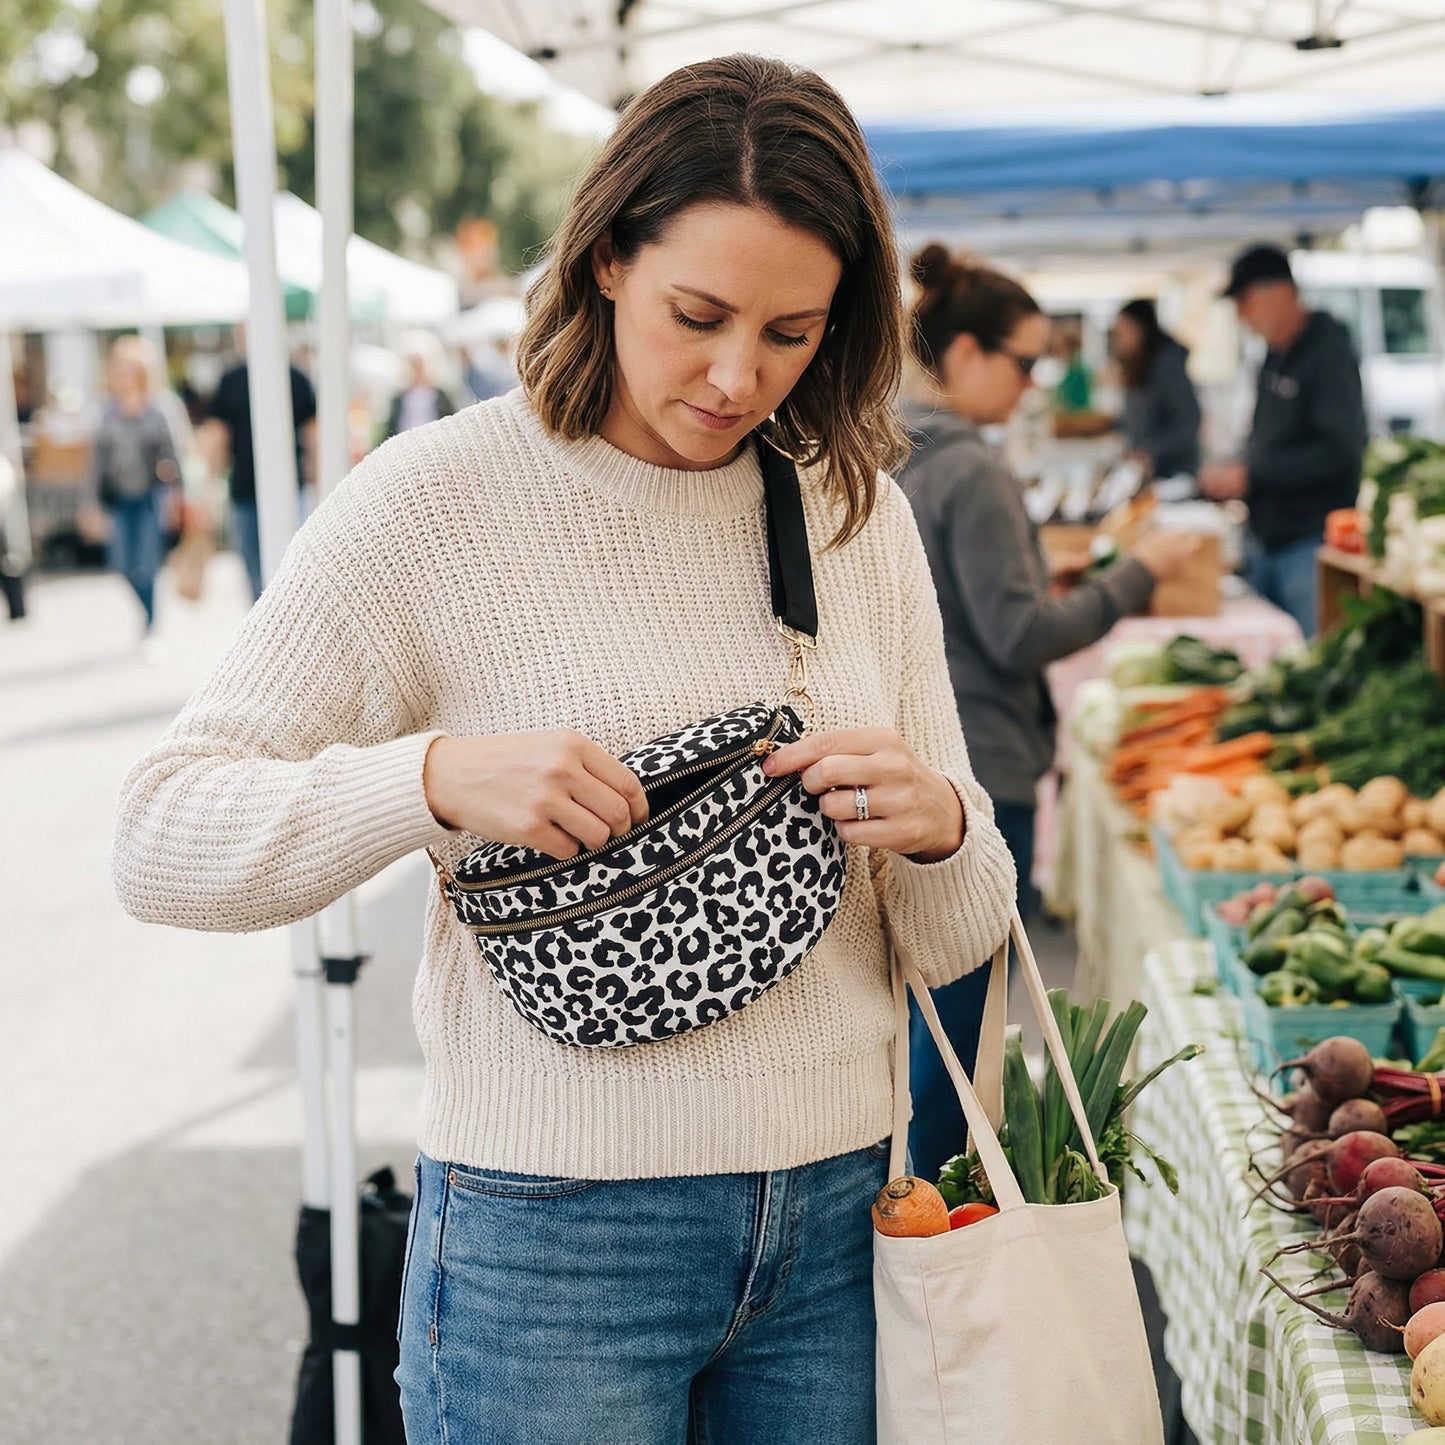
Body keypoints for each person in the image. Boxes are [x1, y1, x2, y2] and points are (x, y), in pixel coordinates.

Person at [112, 55, 1017, 1443]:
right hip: (553, 1250)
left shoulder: (852, 515)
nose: (733, 378)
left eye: (790, 332)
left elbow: (958, 940)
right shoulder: (437, 498)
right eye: (696, 315)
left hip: (842, 1219)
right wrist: (425, 780)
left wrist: (943, 824)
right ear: (603, 259)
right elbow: (163, 835)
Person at [899, 245, 1199, 1183]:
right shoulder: (970, 470)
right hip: (982, 761)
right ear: (962, 350)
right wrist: (1134, 576)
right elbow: (1019, 633)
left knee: (928, 1019)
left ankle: (919, 1193)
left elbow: (960, 600)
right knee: (962, 1021)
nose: (1034, 383)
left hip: (927, 756)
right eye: (1023, 361)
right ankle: (948, 1216)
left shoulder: (894, 451)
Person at [1200, 244, 1366, 636]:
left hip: (1308, 542)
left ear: (1281, 294)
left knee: (1314, 659)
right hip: (1268, 541)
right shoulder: (1273, 357)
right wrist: (1239, 472)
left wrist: (1253, 475)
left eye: (1246, 301)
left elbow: (1340, 453)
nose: (1242, 315)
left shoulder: (1327, 353)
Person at [199, 322, 318, 601]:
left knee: (291, 560)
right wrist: (209, 482)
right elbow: (218, 434)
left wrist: (317, 474)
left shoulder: (295, 377)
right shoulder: (231, 380)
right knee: (253, 562)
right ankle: (264, 623)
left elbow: (313, 430)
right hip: (244, 486)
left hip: (291, 487)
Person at [88, 336, 182, 643]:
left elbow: (172, 454)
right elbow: (97, 462)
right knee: (122, 565)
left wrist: (176, 493)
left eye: (130, 370)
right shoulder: (106, 413)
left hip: (150, 497)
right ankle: (146, 613)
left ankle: (152, 624)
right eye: (119, 370)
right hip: (118, 498)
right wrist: (90, 503)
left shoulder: (158, 409)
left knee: (147, 562)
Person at [1112, 297, 1202, 480]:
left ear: (1140, 329)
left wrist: (1151, 452)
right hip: (1146, 472)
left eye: (1123, 333)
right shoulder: (1139, 364)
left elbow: (1189, 420)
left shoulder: (1167, 363)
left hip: (1173, 473)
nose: (1119, 341)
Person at [384, 331, 463, 438]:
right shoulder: (399, 398)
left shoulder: (442, 396)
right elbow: (390, 429)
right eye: (413, 363)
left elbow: (454, 422)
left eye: (419, 364)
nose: (417, 369)